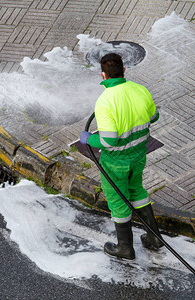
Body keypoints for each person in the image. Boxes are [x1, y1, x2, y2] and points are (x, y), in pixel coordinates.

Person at [80, 53, 163, 260]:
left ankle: (125, 248)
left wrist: (88, 139)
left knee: (118, 200)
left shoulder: (105, 101)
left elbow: (109, 141)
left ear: (103, 76)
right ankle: (154, 239)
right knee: (136, 190)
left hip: (115, 161)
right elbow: (154, 116)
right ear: (124, 71)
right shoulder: (140, 90)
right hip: (138, 154)